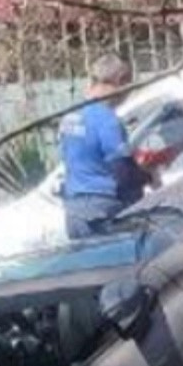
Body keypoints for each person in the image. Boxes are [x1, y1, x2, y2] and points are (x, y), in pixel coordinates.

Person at [59, 54, 145, 240]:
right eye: (128, 86)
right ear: (121, 81)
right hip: (102, 211)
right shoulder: (107, 120)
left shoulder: (70, 116)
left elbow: (70, 159)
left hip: (74, 212)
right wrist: (146, 174)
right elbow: (123, 173)